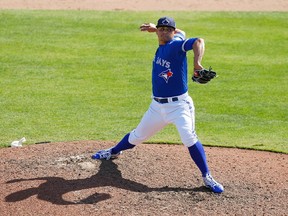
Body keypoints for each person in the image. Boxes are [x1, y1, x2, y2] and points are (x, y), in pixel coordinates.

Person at [92, 17, 224, 193]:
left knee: (189, 138)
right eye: (161, 28)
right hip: (156, 107)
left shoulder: (176, 45)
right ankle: (114, 151)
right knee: (136, 136)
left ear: (172, 31)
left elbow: (198, 41)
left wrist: (197, 63)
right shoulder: (173, 37)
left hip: (179, 107)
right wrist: (156, 30)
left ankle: (207, 176)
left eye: (167, 29)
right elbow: (179, 32)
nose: (163, 31)